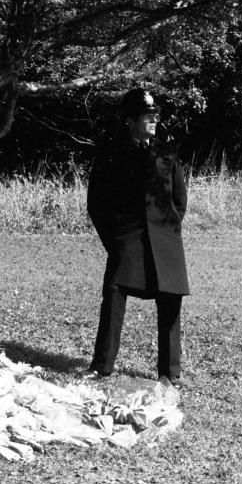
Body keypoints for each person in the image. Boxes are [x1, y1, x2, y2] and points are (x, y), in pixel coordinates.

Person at [84, 88, 189, 389]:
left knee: (170, 301)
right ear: (130, 120)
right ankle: (101, 366)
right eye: (148, 115)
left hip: (165, 239)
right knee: (114, 293)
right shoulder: (111, 152)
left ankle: (169, 373)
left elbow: (179, 201)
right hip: (126, 237)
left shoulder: (166, 153)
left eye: (156, 114)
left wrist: (167, 228)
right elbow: (97, 203)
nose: (154, 119)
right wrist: (114, 240)